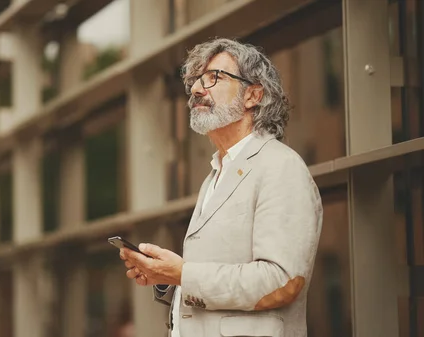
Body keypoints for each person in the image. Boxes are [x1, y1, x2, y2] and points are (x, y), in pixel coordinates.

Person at [119, 38, 323, 337]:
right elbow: (210, 280)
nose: (198, 90)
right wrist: (167, 276)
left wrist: (183, 273)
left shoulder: (281, 167)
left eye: (214, 77)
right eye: (196, 81)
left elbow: (282, 281)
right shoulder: (215, 175)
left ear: (253, 95)